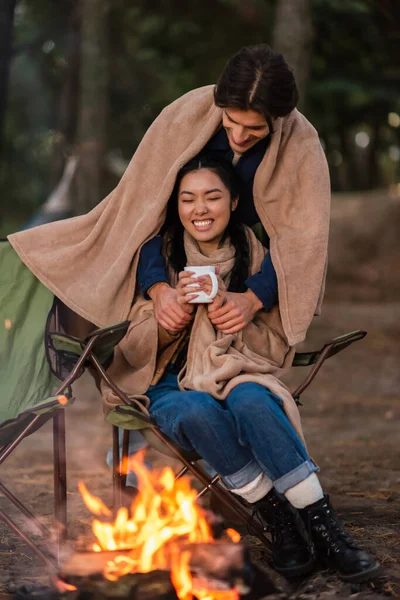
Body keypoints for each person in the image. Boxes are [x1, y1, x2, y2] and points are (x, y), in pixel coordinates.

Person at [101, 156, 381, 584]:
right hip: (164, 386)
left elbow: (275, 336)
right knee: (197, 411)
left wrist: (237, 314)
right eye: (187, 199)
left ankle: (326, 532)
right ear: (174, 205)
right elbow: (128, 347)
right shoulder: (156, 258)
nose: (200, 209)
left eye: (213, 197)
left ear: (233, 202)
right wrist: (162, 321)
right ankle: (279, 519)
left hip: (236, 371)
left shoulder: (254, 257)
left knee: (252, 399)